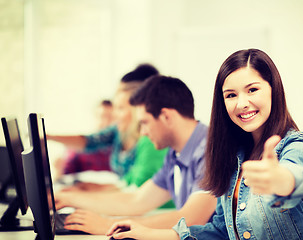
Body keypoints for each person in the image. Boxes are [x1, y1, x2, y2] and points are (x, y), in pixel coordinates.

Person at [106, 49, 303, 240]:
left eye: (252, 90)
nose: (242, 103)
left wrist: (282, 180)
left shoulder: (295, 144)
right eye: (231, 95)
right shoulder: (231, 154)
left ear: (274, 89)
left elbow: (298, 177)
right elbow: (220, 230)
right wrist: (149, 234)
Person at [55, 75, 217, 235]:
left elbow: (192, 218)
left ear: (166, 116)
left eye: (144, 123)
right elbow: (137, 200)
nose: (143, 133)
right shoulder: (175, 153)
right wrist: (68, 198)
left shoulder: (210, 150)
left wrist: (110, 225)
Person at [48, 64, 166, 189]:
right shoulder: (120, 131)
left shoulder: (150, 141)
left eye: (120, 108)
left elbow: (135, 191)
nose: (113, 115)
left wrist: (89, 192)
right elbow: (127, 184)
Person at [54, 99, 114, 179]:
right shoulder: (78, 148)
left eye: (111, 117)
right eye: (102, 117)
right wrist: (59, 169)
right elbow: (63, 177)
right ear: (95, 117)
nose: (106, 122)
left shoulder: (121, 148)